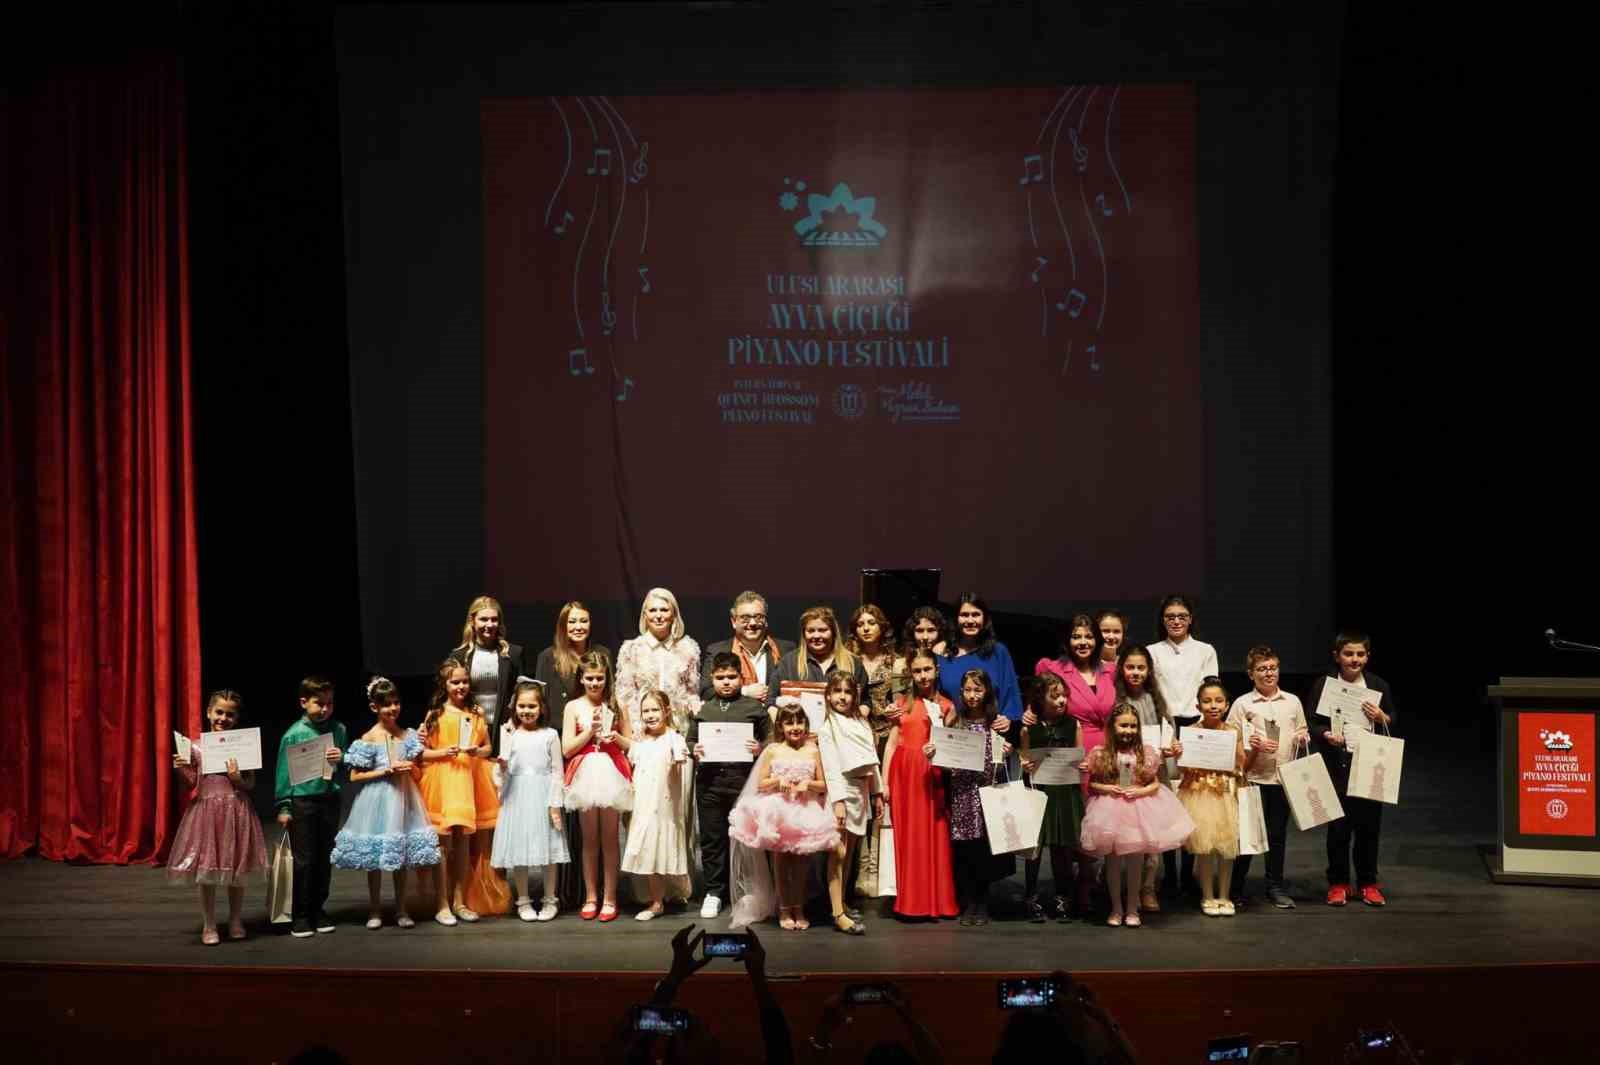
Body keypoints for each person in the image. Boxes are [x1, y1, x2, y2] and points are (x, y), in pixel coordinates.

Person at [329, 677, 441, 930]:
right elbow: (354, 776)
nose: (393, 708)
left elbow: (418, 770)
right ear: (374, 707)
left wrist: (410, 768)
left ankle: (401, 908)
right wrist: (384, 771)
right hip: (379, 799)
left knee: (400, 856)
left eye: (396, 702)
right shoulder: (369, 738)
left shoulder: (407, 735)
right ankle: (375, 909)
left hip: (404, 798)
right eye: (386, 704)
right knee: (376, 858)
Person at [1079, 704, 1196, 927]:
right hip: (1109, 813)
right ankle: (1116, 908)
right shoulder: (1100, 753)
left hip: (1138, 811)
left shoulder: (1146, 753)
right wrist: (1107, 788)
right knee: (1113, 862)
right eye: (1123, 725)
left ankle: (1132, 907)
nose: (1128, 730)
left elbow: (1155, 783)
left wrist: (1141, 791)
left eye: (1133, 726)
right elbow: (1092, 784)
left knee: (1136, 862)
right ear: (1112, 727)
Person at [728, 698, 839, 930]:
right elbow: (761, 783)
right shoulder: (773, 750)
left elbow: (823, 785)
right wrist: (778, 780)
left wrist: (808, 784)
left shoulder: (813, 750)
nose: (795, 727)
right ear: (780, 726)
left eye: (799, 722)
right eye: (789, 723)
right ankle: (784, 907)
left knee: (800, 864)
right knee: (781, 863)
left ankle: (799, 907)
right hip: (779, 811)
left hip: (804, 811)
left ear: (806, 724)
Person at [168, 690, 269, 944]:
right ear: (208, 712)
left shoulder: (242, 745)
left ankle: (235, 920)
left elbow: (250, 783)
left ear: (236, 718)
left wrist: (237, 779)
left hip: (236, 810)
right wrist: (180, 769)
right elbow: (192, 782)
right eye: (219, 712)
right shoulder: (196, 747)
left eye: (230, 714)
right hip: (207, 811)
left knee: (236, 868)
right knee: (208, 869)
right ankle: (209, 924)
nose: (223, 718)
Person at [531, 600, 611, 910]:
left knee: (591, 826)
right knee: (564, 822)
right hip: (561, 745)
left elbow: (610, 695)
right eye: (572, 622)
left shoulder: (601, 654)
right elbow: (540, 701)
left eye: (583, 621)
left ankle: (594, 892)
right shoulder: (548, 657)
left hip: (595, 749)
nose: (578, 627)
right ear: (563, 626)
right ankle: (565, 892)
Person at [1307, 630, 1395, 907]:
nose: (1354, 659)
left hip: (1369, 763)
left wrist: (1382, 716)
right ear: (1337, 656)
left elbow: (1393, 719)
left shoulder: (1377, 685)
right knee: (1339, 829)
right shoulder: (1325, 685)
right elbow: (1312, 722)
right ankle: (1338, 883)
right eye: (1348, 654)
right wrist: (1326, 735)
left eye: (1360, 654)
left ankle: (1368, 883)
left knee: (1369, 828)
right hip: (1337, 765)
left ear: (1367, 656)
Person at [418, 659, 503, 925]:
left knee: (464, 843)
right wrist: (444, 752)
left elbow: (488, 747)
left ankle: (460, 900)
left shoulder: (475, 713)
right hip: (442, 783)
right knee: (443, 844)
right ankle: (442, 903)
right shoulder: (435, 714)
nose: (461, 686)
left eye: (465, 681)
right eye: (455, 682)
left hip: (468, 781)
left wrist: (477, 751)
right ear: (444, 684)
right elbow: (422, 753)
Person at [926, 669, 1011, 927]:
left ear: (987, 692)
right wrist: (934, 753)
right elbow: (945, 754)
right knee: (964, 849)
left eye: (978, 690)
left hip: (987, 792)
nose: (972, 695)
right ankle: (968, 902)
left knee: (984, 849)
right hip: (962, 793)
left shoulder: (995, 722)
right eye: (968, 690)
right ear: (961, 692)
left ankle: (982, 902)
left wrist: (1007, 750)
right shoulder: (955, 718)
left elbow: (1003, 757)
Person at [1227, 645, 1309, 909]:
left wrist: (1302, 736)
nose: (1269, 673)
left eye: (1273, 668)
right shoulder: (1243, 704)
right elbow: (1230, 738)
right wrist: (1250, 743)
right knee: (1247, 836)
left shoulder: (1292, 701)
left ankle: (1275, 887)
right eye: (1262, 669)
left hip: (1283, 779)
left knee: (1277, 835)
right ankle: (1235, 889)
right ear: (1251, 674)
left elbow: (1302, 728)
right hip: (1253, 778)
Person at [689, 651, 769, 920]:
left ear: (741, 678)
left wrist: (760, 748)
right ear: (712, 678)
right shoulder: (704, 709)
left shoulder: (754, 708)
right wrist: (694, 749)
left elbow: (771, 740)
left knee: (745, 838)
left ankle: (746, 889)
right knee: (712, 839)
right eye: (721, 677)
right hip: (710, 783)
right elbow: (690, 740)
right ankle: (714, 892)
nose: (726, 682)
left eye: (732, 677)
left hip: (743, 783)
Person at [881, 648, 960, 920]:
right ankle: (910, 903)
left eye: (927, 669)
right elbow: (891, 745)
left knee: (933, 836)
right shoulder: (901, 703)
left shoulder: (947, 706)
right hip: (903, 777)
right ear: (910, 674)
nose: (923, 676)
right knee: (909, 838)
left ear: (936, 670)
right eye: (917, 671)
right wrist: (884, 782)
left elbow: (952, 748)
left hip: (931, 775)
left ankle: (937, 902)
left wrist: (939, 752)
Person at [1146, 596, 1216, 897]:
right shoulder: (1152, 651)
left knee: (1191, 799)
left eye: (1182, 616)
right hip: (1163, 725)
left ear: (1190, 619)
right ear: (1163, 620)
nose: (1176, 621)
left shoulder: (1205, 650)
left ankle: (1188, 873)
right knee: (1165, 798)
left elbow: (1211, 689)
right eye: (1170, 616)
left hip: (1195, 728)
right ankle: (1168, 873)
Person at [562, 649, 633, 922]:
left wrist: (614, 736)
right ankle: (591, 896)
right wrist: (590, 732)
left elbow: (629, 744)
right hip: (585, 773)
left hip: (611, 770)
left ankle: (610, 898)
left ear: (606, 678)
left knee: (610, 838)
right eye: (590, 678)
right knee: (589, 839)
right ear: (581, 678)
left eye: (599, 678)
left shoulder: (616, 703)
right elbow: (567, 748)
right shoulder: (573, 707)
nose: (594, 683)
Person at [274, 675, 347, 938]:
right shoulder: (294, 734)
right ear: (304, 702)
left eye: (330, 703)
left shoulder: (338, 730)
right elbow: (284, 773)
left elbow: (344, 765)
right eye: (319, 703)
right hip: (303, 802)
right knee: (304, 860)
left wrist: (342, 757)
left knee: (324, 857)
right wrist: (284, 807)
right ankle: (301, 914)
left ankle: (318, 909)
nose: (325, 709)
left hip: (329, 799)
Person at [489, 679, 569, 922]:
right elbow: (501, 774)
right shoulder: (510, 734)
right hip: (517, 796)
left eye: (532, 706)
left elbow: (557, 771)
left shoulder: (550, 735)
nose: (526, 711)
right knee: (519, 848)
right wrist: (502, 767)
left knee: (548, 848)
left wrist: (554, 802)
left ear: (541, 707)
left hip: (543, 795)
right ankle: (523, 900)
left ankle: (550, 899)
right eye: (522, 706)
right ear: (515, 707)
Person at [815, 673, 882, 935]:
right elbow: (831, 767)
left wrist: (877, 792)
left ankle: (841, 902)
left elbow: (871, 759)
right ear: (828, 695)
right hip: (842, 791)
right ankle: (837, 913)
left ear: (855, 696)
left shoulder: (861, 722)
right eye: (837, 691)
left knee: (851, 852)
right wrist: (838, 802)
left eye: (847, 692)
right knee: (839, 854)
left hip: (861, 791)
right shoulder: (828, 728)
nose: (842, 697)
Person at [1018, 674, 1088, 922]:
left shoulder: (1073, 725)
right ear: (1040, 698)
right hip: (1038, 792)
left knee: (1062, 848)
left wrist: (1083, 764)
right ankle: (1031, 897)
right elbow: (1024, 756)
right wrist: (1025, 764)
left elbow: (1080, 756)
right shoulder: (1029, 728)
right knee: (1034, 848)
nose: (1061, 700)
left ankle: (1062, 898)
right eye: (1054, 696)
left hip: (1065, 793)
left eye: (1064, 696)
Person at [1114, 644, 1180, 912]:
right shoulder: (1115, 699)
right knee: (1126, 832)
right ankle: (1123, 886)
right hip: (1125, 773)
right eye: (1130, 667)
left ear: (1149, 671)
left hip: (1154, 775)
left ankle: (1148, 887)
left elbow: (1169, 734)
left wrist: (1172, 747)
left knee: (1153, 835)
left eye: (1141, 667)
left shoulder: (1157, 700)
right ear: (1122, 669)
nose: (1135, 672)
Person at [1177, 677, 1246, 916]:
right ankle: (1207, 895)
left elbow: (1241, 764)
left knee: (1227, 847)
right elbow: (1183, 768)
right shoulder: (1192, 732)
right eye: (1207, 701)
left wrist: (1241, 755)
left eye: (1218, 701)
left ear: (1227, 705)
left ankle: (1225, 895)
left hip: (1226, 792)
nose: (1213, 705)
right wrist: (1179, 753)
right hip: (1201, 793)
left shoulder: (1233, 731)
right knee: (1204, 846)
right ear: (1198, 706)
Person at [621, 690, 692, 920]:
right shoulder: (642, 739)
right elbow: (632, 750)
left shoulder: (674, 738)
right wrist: (615, 737)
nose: (650, 715)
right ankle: (657, 899)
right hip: (644, 803)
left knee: (660, 847)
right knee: (648, 849)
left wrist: (678, 759)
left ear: (666, 711)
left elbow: (679, 757)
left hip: (663, 805)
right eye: (646, 711)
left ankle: (663, 899)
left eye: (655, 710)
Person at [616, 587, 702, 740]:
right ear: (645, 615)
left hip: (678, 730)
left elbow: (692, 693)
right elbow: (624, 698)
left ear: (673, 614)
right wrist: (630, 738)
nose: (658, 616)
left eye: (664, 610)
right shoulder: (631, 649)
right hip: (642, 732)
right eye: (653, 610)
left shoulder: (688, 648)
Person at [1035, 614, 1116, 761]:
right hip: (1070, 754)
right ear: (1067, 640)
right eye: (1076, 637)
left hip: (1108, 753)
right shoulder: (1053, 669)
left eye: (1089, 637)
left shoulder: (1110, 671)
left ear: (1097, 640)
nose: (1083, 642)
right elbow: (1037, 709)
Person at [448, 594, 526, 744]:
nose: (489, 625)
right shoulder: (459, 656)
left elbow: (521, 693)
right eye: (483, 619)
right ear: (472, 621)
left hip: (506, 727)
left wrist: (515, 720)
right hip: (470, 728)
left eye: (494, 619)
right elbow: (450, 696)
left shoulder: (514, 654)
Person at [698, 590, 794, 707]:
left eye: (758, 617)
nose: (752, 623)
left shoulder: (785, 649)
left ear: (766, 621)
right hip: (736, 717)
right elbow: (705, 692)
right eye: (745, 618)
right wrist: (743, 691)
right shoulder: (717, 651)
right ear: (734, 622)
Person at [938, 594, 1021, 725]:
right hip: (952, 731)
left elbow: (1011, 692)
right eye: (964, 615)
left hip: (991, 730)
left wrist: (1007, 718)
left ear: (985, 618)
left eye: (976, 615)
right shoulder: (942, 652)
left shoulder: (998, 652)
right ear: (956, 618)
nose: (970, 620)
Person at [774, 604, 869, 694]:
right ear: (804, 634)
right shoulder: (789, 663)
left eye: (822, 630)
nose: (816, 636)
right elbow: (771, 700)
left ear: (834, 632)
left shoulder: (853, 662)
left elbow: (865, 701)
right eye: (811, 631)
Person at [847, 604, 901, 755]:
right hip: (853, 732)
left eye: (871, 623)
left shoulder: (896, 662)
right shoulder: (848, 661)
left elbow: (903, 701)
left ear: (882, 627)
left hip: (888, 733)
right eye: (860, 624)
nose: (866, 628)